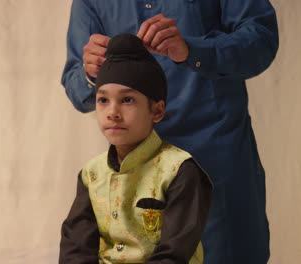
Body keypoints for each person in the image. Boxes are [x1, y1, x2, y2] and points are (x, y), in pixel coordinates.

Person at [61, 1, 278, 263]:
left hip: (215, 163)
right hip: (132, 180)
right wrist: (91, 73)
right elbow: (76, 85)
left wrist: (192, 50)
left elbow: (261, 40)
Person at [59, 33, 213, 264]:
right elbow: (76, 248)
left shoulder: (180, 171)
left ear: (157, 111)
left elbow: (174, 254)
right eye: (103, 100)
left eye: (127, 100)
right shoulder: (92, 175)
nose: (112, 112)